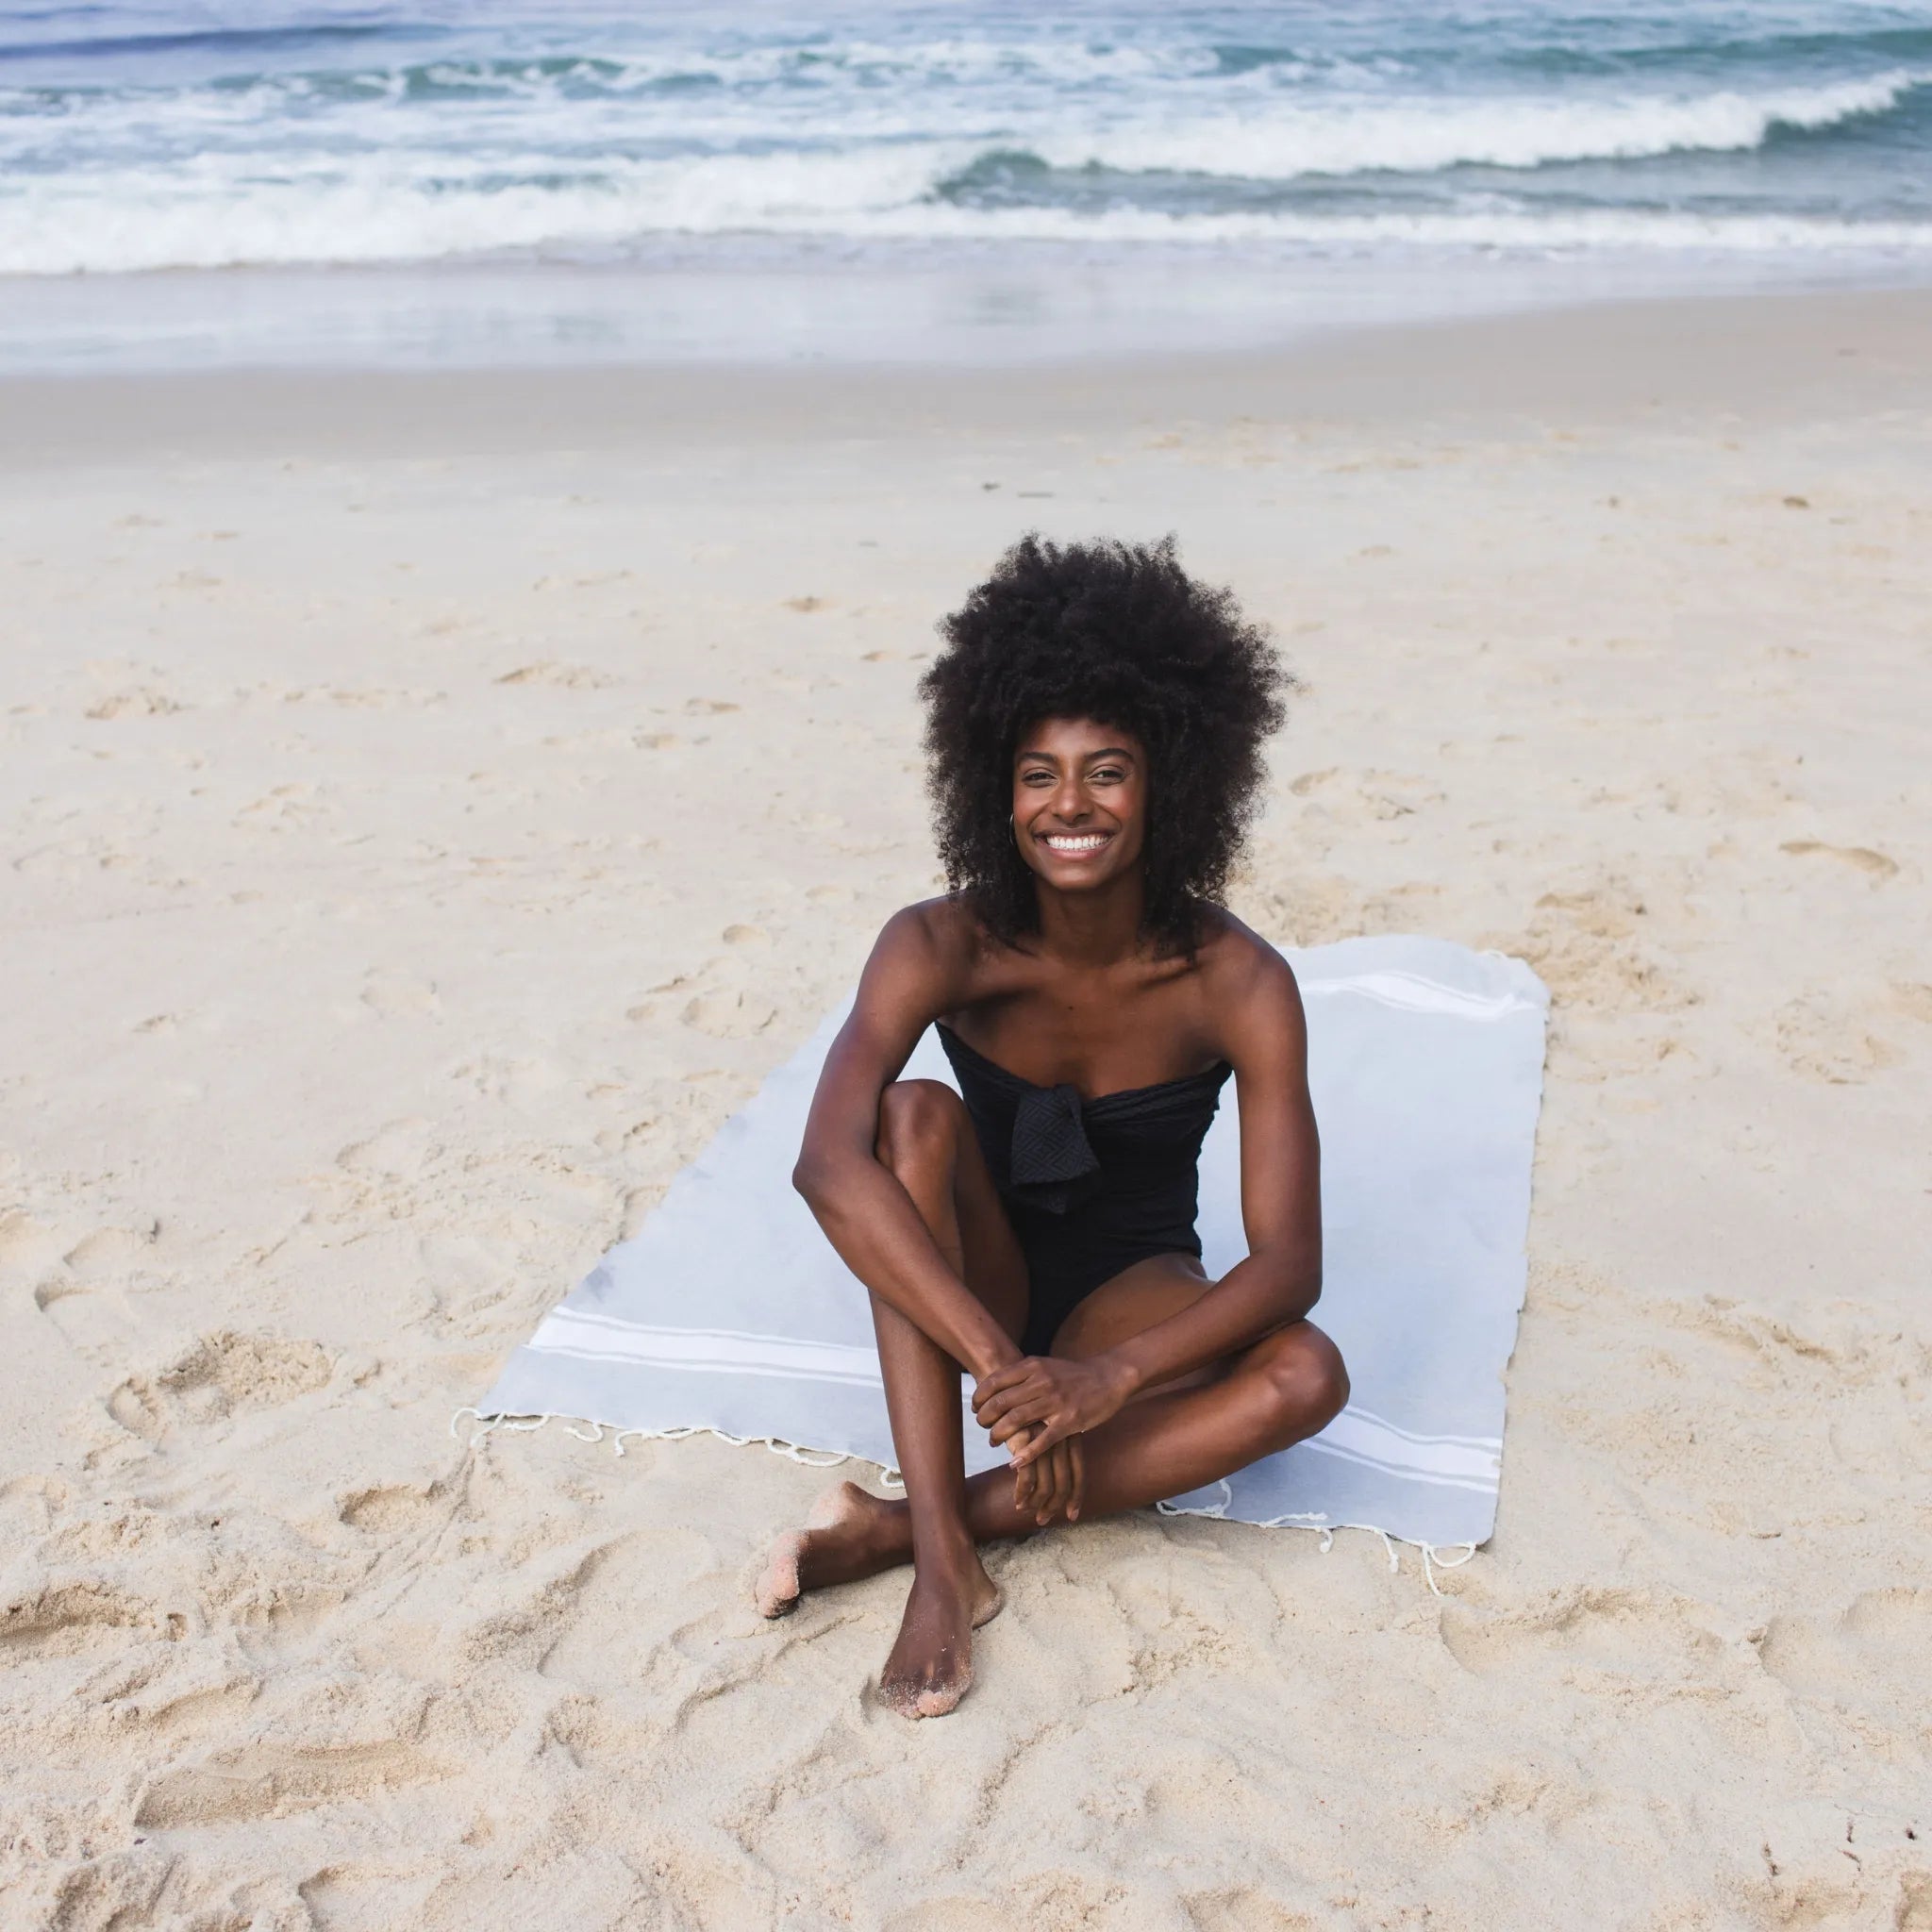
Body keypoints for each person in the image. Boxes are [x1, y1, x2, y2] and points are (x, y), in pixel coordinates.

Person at [758, 534, 1347, 1718]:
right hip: (974, 1273)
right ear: (994, 787)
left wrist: (1107, 1375)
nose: (1068, 804)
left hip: (1131, 1287)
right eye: (1036, 773)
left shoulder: (1236, 978)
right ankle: (943, 1563)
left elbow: (1290, 1263)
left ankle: (894, 1529)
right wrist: (1003, 1363)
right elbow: (824, 1160)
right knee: (912, 1114)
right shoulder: (938, 942)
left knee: (1306, 1373)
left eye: (1106, 770)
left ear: (1169, 783)